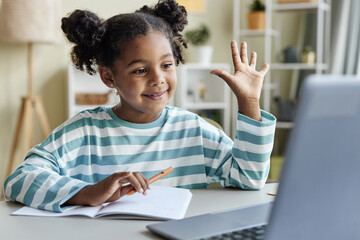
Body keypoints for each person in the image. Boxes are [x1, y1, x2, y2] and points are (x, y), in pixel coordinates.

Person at [4, 0, 276, 213]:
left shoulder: (194, 131)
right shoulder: (83, 131)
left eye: (167, 65)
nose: (158, 79)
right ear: (109, 77)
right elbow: (18, 180)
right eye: (140, 70)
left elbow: (249, 179)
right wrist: (87, 192)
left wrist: (249, 102)